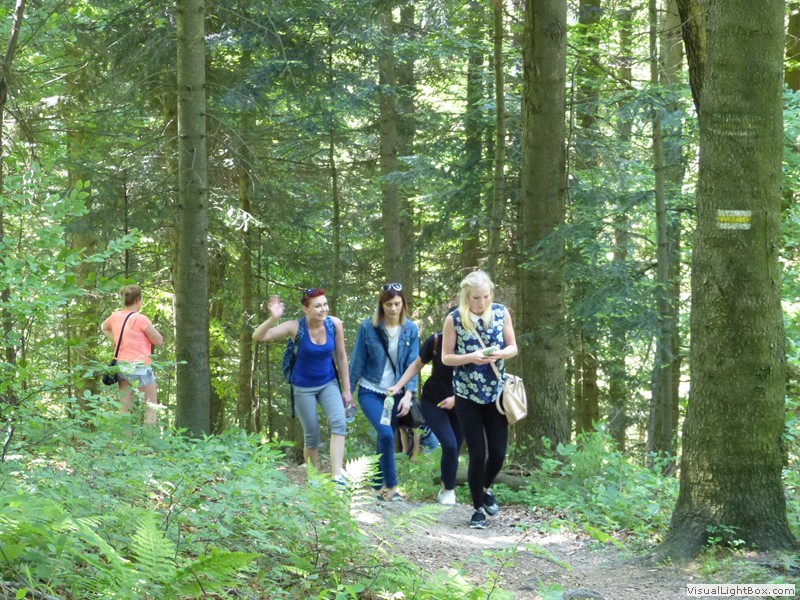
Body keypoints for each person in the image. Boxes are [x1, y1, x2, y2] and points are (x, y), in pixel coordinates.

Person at [252, 288, 353, 484]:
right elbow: (258, 336)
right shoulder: (294, 327)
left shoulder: (334, 324)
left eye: (325, 304)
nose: (323, 309)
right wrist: (273, 318)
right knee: (312, 435)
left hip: (328, 383)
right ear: (305, 309)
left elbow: (341, 357)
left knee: (339, 423)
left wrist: (347, 389)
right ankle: (313, 478)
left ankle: (337, 475)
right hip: (303, 387)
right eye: (318, 306)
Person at [441, 271, 518, 529]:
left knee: (498, 453)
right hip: (466, 394)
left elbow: (513, 347)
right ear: (466, 296)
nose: (481, 302)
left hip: (496, 394)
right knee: (477, 453)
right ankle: (477, 510)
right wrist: (471, 357)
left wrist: (500, 354)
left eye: (485, 296)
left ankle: (484, 488)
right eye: (476, 297)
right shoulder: (454, 319)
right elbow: (446, 357)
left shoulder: (500, 313)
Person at [349, 283, 419, 501]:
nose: (393, 308)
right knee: (387, 433)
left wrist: (408, 394)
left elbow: (413, 364)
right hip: (370, 390)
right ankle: (392, 486)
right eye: (388, 304)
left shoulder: (410, 329)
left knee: (384, 437)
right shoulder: (368, 327)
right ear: (381, 305)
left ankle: (375, 487)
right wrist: (348, 392)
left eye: (397, 304)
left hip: (395, 393)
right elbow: (357, 361)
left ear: (403, 304)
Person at [387, 320, 462, 505]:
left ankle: (445, 487)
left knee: (456, 447)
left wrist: (456, 399)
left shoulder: (473, 345)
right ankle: (448, 492)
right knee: (450, 444)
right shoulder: (436, 341)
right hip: (433, 401)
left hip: (461, 402)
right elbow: (417, 365)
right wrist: (399, 385)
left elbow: (480, 378)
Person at [101, 285, 164, 426]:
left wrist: (117, 339)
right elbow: (159, 341)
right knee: (151, 407)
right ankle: (148, 439)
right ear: (138, 300)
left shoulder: (116, 316)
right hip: (140, 367)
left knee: (125, 408)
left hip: (121, 365)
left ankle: (124, 438)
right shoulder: (140, 319)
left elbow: (103, 327)